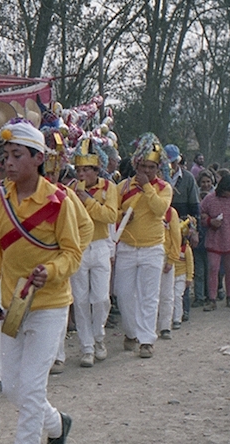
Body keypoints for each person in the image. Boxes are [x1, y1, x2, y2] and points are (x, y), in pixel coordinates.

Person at [0, 118, 82, 444]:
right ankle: (58, 426)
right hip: (12, 307)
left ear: (38, 159)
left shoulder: (59, 202)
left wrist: (51, 271)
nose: (8, 162)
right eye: (5, 155)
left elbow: (73, 253)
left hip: (50, 304)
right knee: (11, 389)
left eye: (16, 155)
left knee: (33, 387)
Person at [115, 132, 172, 358]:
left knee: (150, 296)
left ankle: (147, 340)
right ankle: (131, 332)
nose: (147, 170)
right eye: (144, 166)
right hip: (127, 247)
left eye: (152, 167)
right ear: (136, 164)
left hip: (153, 248)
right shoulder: (122, 187)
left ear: (158, 168)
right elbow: (114, 213)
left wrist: (147, 187)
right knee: (124, 295)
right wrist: (122, 216)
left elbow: (160, 210)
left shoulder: (164, 188)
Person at [41, 134, 94, 375]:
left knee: (60, 305)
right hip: (34, 261)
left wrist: (73, 252)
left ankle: (58, 356)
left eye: (54, 172)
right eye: (46, 171)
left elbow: (86, 226)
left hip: (60, 261)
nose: (50, 177)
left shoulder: (67, 195)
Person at [71, 136, 117, 367]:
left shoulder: (109, 188)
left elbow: (110, 216)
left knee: (100, 298)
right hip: (78, 247)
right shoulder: (70, 189)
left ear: (96, 169)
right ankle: (86, 347)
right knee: (79, 299)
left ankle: (99, 336)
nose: (81, 175)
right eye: (78, 169)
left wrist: (88, 201)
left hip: (99, 245)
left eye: (86, 170)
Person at [200, 174, 230, 310]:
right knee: (213, 269)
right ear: (223, 190)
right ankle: (212, 299)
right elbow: (201, 215)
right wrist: (210, 221)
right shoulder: (209, 199)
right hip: (214, 240)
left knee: (229, 269)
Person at [164, 143, 199, 322]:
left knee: (182, 264)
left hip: (182, 225)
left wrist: (193, 231)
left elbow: (194, 207)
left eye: (173, 163)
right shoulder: (160, 180)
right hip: (161, 227)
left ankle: (183, 309)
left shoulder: (188, 179)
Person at [156, 206, 182, 339]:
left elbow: (176, 236)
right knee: (146, 295)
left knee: (166, 294)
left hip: (165, 257)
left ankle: (165, 326)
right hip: (150, 255)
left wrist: (172, 259)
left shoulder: (170, 213)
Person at [192, 170, 215, 307]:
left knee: (210, 268)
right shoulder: (195, 195)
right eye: (203, 182)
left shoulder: (216, 197)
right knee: (199, 269)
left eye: (208, 182)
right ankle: (199, 296)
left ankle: (210, 293)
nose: (206, 184)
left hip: (211, 237)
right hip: (199, 236)